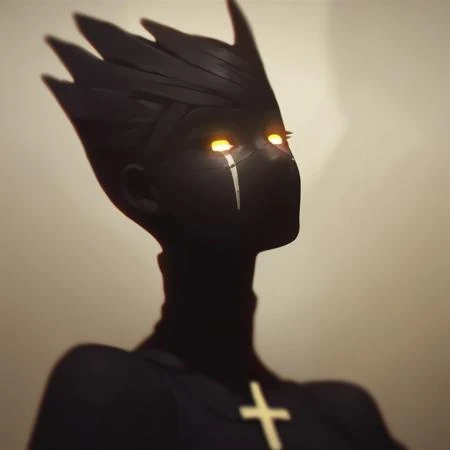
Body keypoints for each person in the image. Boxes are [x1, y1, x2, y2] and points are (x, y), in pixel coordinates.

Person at [29, 1, 407, 448]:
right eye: (222, 142)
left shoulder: (345, 413)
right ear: (143, 190)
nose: (276, 157)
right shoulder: (112, 391)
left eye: (277, 136)